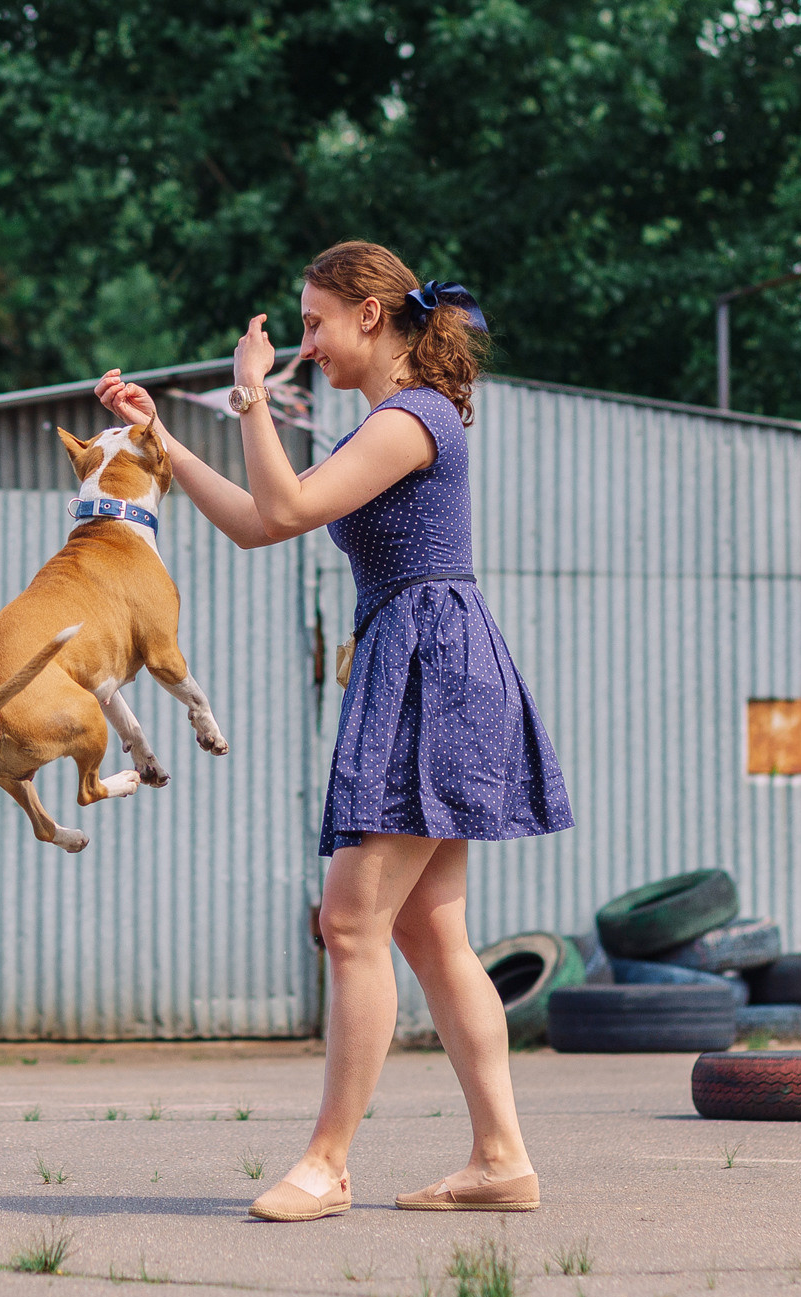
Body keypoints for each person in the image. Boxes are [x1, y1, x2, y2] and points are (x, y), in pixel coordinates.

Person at [95, 240, 573, 1221]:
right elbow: (258, 522)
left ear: (370, 315)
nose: (304, 341)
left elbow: (284, 504)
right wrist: (160, 439)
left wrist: (249, 391)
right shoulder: (393, 422)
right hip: (425, 663)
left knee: (350, 921)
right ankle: (500, 1158)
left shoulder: (409, 419)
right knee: (429, 929)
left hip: (433, 668)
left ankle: (327, 1162)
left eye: (314, 322)